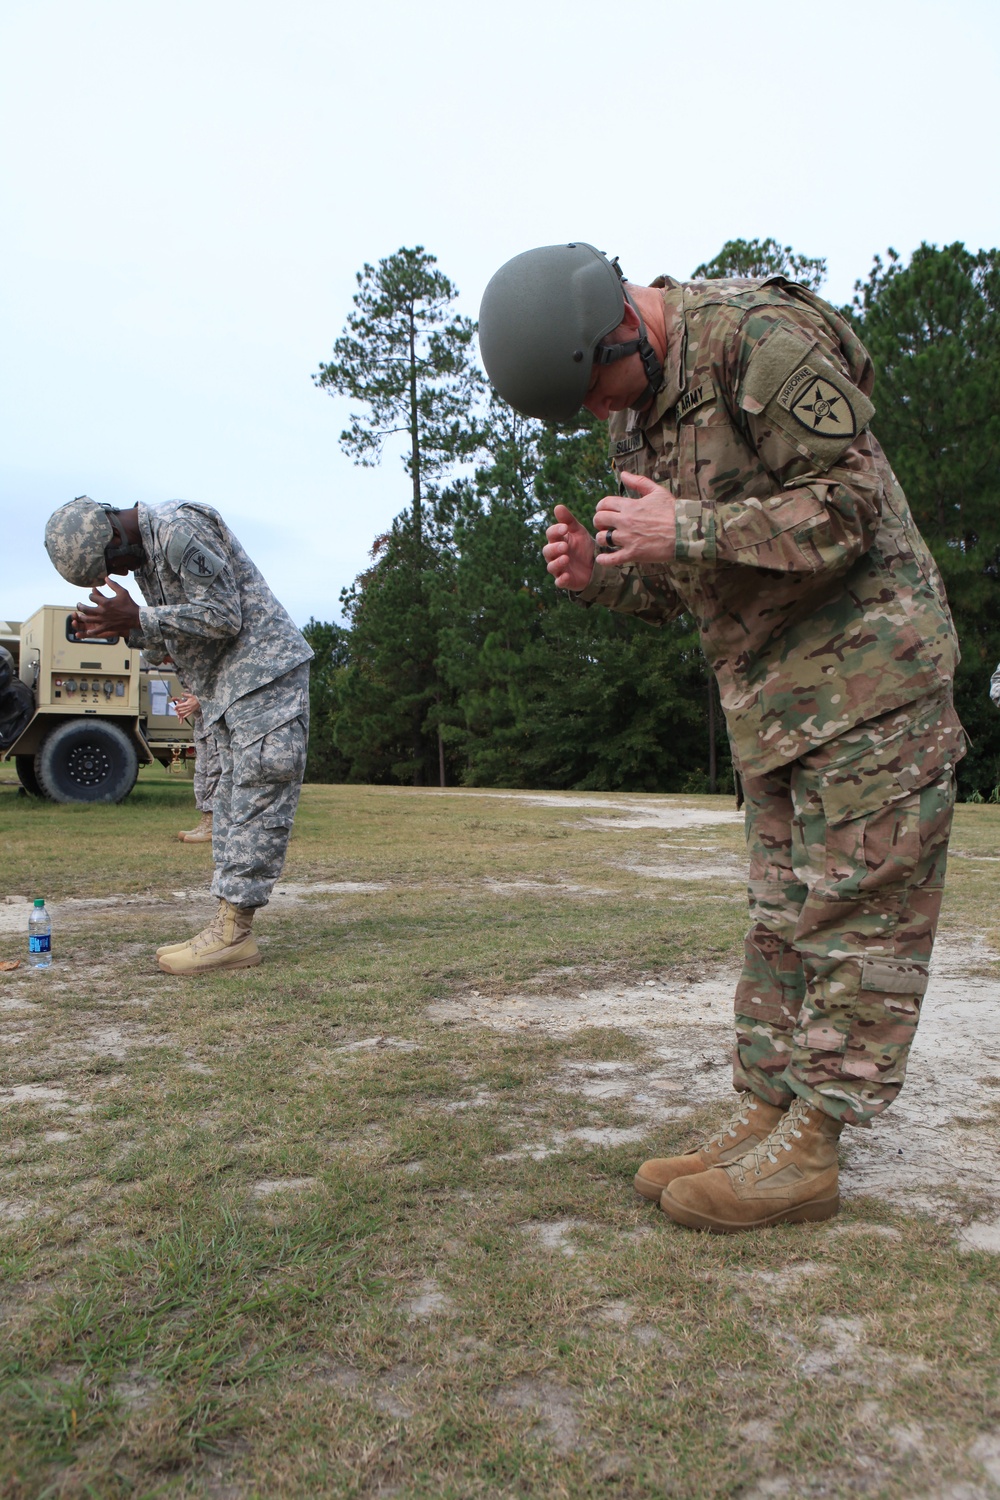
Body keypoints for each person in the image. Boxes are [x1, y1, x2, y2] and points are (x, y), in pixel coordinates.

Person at [478, 242, 965, 1233]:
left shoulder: (755, 340)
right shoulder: (635, 415)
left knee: (856, 917)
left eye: (594, 391)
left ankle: (812, 1149)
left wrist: (687, 530)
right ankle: (765, 1115)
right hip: (775, 705)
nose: (599, 416)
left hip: (871, 676)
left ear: (622, 326)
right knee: (780, 918)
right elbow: (677, 580)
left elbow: (850, 509)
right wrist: (605, 574)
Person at [44, 496, 313, 975]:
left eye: (112, 565)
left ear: (113, 535)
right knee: (229, 801)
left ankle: (234, 936)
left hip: (264, 678)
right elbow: (190, 630)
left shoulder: (176, 530)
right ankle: (227, 929)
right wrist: (127, 631)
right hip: (230, 688)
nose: (120, 575)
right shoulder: (147, 550)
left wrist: (140, 618)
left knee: (254, 799)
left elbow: (223, 614)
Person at [172, 690, 221, 844]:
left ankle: (214, 825)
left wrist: (200, 699)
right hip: (203, 723)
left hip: (218, 722)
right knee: (202, 771)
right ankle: (206, 820)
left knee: (215, 772)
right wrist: (188, 705)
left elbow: (223, 685)